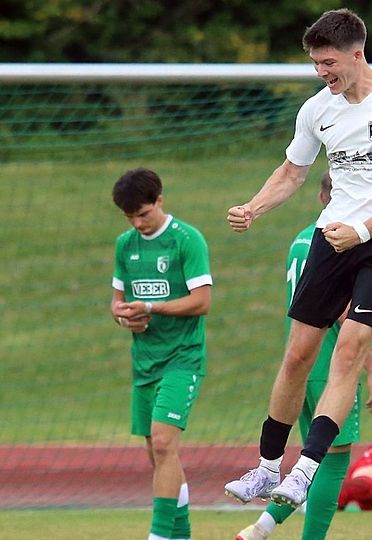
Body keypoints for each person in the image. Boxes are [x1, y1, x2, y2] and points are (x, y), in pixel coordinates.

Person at [223, 7, 372, 509]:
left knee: (349, 353)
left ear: (356, 54)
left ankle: (305, 470)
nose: (322, 72)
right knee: (298, 355)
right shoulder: (317, 109)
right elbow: (293, 172)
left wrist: (362, 229)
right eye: (316, 64)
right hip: (332, 238)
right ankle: (267, 466)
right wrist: (253, 207)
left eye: (328, 63)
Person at [236, 171, 372, 540]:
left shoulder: (302, 240)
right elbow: (348, 313)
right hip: (332, 364)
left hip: (298, 365)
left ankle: (260, 528)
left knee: (307, 465)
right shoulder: (344, 244)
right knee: (333, 459)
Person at [110, 168, 212, 540]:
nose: (137, 223)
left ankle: (158, 536)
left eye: (143, 214)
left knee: (166, 442)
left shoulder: (187, 240)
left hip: (182, 359)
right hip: (144, 362)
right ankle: (181, 534)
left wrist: (151, 308)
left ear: (159, 202)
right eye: (130, 217)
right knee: (158, 454)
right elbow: (118, 302)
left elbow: (202, 302)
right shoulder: (125, 244)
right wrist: (125, 318)